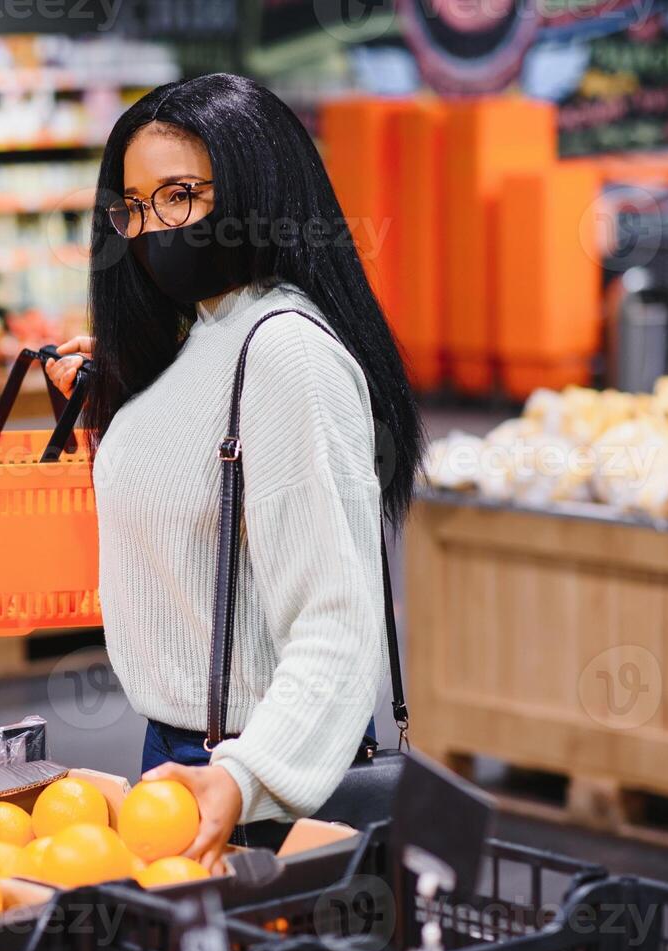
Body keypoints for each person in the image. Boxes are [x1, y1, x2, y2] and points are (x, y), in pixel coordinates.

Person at [47, 74, 423, 868]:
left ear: (258, 187)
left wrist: (250, 775)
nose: (154, 228)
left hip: (261, 780)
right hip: (182, 760)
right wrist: (118, 389)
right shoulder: (209, 332)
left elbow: (337, 622)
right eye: (136, 205)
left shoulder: (286, 352)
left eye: (181, 195)